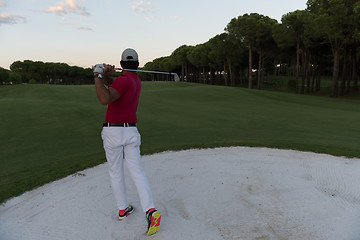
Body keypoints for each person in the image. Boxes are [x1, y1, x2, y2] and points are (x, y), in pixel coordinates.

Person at [93, 48, 161, 236]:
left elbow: (104, 98)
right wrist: (106, 75)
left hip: (113, 131)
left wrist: (97, 75)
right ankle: (151, 211)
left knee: (115, 171)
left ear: (122, 64)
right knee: (137, 172)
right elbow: (115, 86)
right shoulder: (135, 81)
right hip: (130, 131)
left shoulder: (123, 81)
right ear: (137, 65)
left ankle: (122, 209)